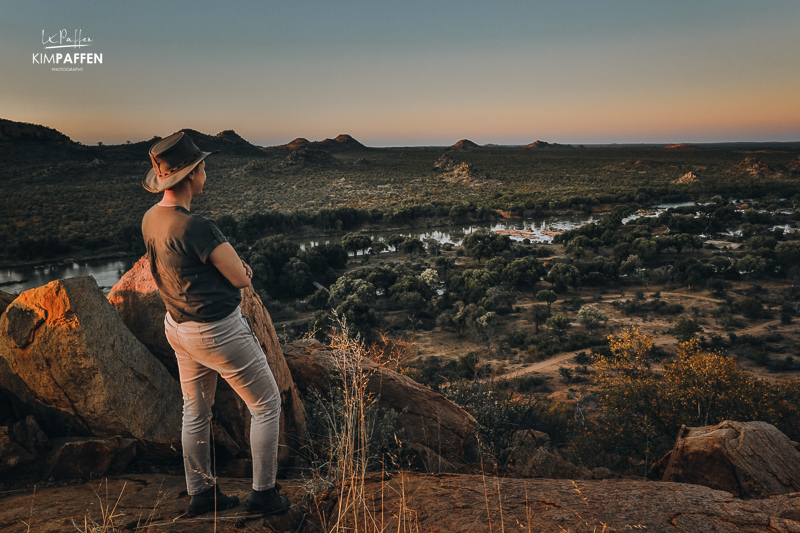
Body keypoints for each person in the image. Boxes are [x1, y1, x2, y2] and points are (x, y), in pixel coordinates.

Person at [141, 131, 290, 516]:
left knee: (195, 410)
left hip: (177, 327)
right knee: (267, 404)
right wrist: (242, 270)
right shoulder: (197, 226)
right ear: (190, 175)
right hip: (217, 331)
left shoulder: (151, 218)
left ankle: (202, 494)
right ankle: (263, 493)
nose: (206, 173)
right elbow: (241, 277)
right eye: (203, 167)